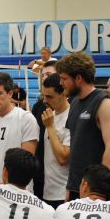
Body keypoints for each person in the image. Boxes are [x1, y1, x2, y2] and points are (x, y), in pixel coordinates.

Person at [55, 52, 110, 201]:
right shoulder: (74, 103)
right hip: (77, 187)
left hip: (97, 192)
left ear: (78, 78)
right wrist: (70, 187)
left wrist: (98, 190)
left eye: (64, 78)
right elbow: (76, 148)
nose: (60, 83)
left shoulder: (104, 103)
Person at [0, 72, 39, 188]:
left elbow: (27, 161)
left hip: (19, 190)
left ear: (10, 94)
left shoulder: (26, 118)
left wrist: (9, 189)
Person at [41, 73, 70, 208]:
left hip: (64, 193)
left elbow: (63, 158)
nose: (44, 100)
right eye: (44, 95)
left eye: (49, 96)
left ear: (63, 93)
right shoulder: (50, 115)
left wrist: (51, 127)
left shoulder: (71, 117)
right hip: (48, 192)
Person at [31, 60, 58, 200]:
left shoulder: (72, 107)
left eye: (48, 74)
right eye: (43, 75)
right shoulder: (37, 107)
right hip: (40, 174)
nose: (44, 78)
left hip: (61, 179)